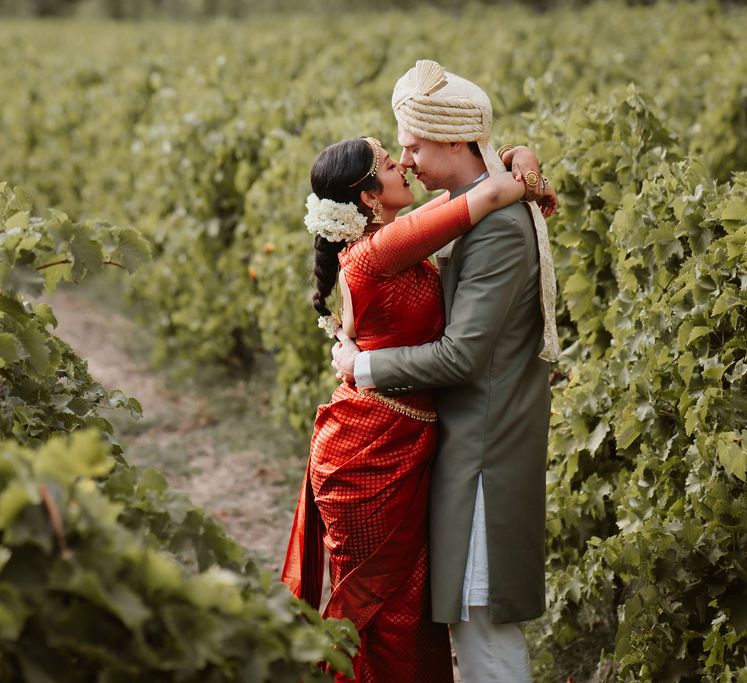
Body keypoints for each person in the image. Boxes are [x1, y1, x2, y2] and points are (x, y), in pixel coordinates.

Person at [282, 130, 555, 682]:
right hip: (369, 448)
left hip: (399, 442)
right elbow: (483, 196)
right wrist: (523, 172)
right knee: (381, 613)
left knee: (407, 612)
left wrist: (515, 158)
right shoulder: (381, 249)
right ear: (367, 197)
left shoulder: (396, 237)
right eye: (387, 162)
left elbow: (471, 193)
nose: (401, 164)